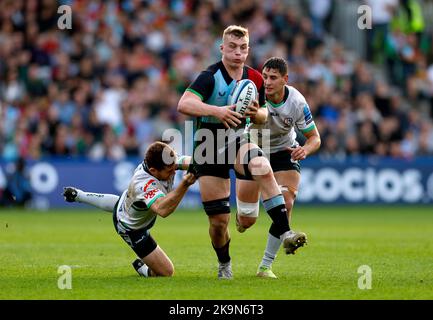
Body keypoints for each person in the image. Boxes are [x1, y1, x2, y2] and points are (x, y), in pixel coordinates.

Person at [177, 25, 305, 279]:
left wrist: (254, 113)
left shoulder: (255, 78)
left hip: (238, 137)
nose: (238, 52)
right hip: (209, 143)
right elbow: (184, 104)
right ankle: (224, 263)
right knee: (218, 223)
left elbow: (264, 113)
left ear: (248, 50)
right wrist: (218, 111)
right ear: (222, 48)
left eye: (243, 48)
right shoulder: (209, 76)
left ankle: (286, 231)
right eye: (232, 47)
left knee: (260, 165)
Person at [236, 57, 321, 278]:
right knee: (247, 220)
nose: (268, 81)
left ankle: (265, 266)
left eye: (273, 78)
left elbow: (315, 138)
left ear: (286, 79)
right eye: (265, 77)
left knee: (287, 202)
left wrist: (306, 149)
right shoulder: (252, 95)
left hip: (284, 152)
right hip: (254, 148)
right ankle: (242, 220)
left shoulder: (296, 101)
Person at [62, 141, 196, 277]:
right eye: (170, 170)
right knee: (166, 272)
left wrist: (203, 165)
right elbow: (163, 210)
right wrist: (184, 185)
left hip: (132, 206)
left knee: (121, 203)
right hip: (132, 228)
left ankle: (79, 195)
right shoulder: (143, 184)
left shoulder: (163, 161)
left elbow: (185, 161)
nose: (175, 171)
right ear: (153, 171)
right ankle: (143, 269)